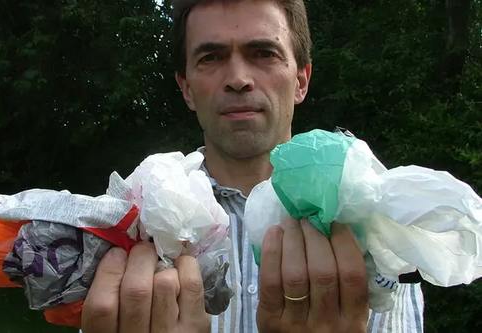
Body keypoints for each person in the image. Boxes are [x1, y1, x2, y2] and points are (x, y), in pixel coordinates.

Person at [80, 0, 425, 332]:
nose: (238, 78)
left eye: (263, 53)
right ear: (186, 89)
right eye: (211, 57)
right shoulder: (136, 219)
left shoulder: (370, 218)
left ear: (301, 80)